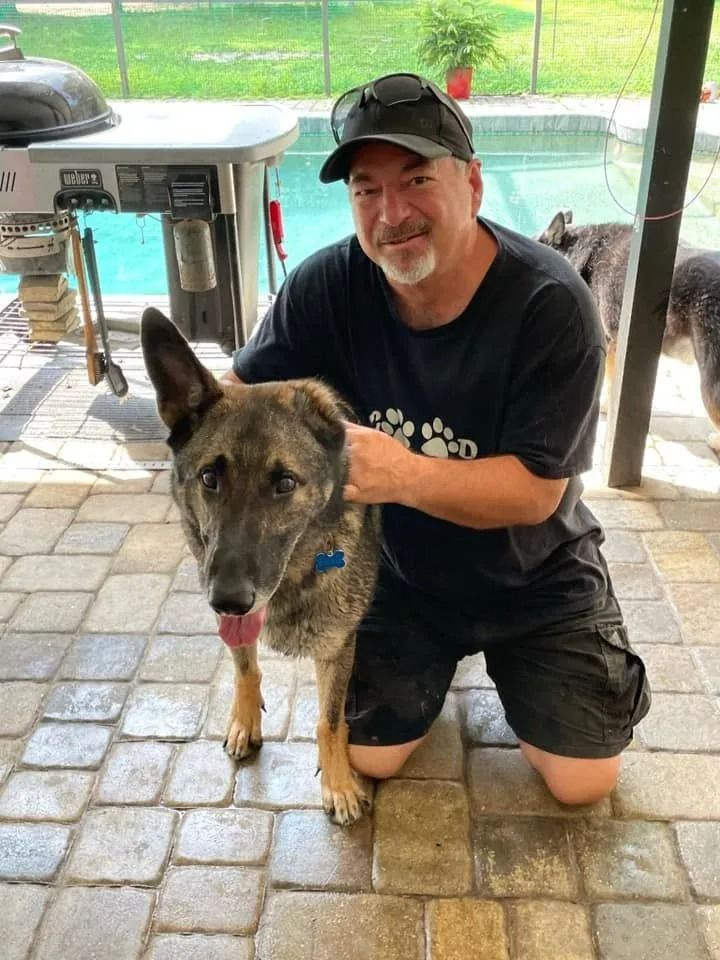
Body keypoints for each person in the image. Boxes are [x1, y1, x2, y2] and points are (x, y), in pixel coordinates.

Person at [224, 72, 651, 805]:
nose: (392, 213)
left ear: (474, 183)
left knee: (582, 781)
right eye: (367, 190)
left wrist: (401, 475)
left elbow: (535, 492)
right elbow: (243, 399)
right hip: (399, 575)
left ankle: (531, 664)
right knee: (372, 758)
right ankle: (431, 666)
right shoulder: (325, 287)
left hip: (535, 575)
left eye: (417, 178)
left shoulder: (553, 305)